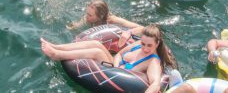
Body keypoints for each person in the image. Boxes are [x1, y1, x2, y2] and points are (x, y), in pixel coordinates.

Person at [41, 24, 176, 93]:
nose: (145, 48)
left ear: (157, 44)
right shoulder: (137, 45)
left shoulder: (153, 61)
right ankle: (57, 47)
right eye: (143, 43)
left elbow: (155, 84)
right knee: (97, 44)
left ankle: (57, 55)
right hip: (114, 67)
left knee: (96, 52)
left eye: (149, 45)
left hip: (118, 75)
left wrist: (115, 69)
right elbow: (118, 54)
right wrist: (115, 66)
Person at [68, 0, 143, 33]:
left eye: (90, 15)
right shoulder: (87, 18)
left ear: (100, 16)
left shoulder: (112, 20)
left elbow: (140, 28)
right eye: (87, 13)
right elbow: (76, 26)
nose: (86, 17)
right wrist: (71, 28)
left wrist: (128, 33)